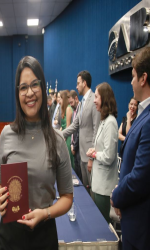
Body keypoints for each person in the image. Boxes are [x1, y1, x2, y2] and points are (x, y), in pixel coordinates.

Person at [0, 56, 73, 250]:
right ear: (17, 93)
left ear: (43, 88)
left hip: (43, 235)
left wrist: (45, 213)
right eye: (23, 87)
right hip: (10, 235)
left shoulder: (57, 140)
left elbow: (67, 198)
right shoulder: (6, 134)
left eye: (34, 85)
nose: (29, 93)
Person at [111, 47, 150, 250]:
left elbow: (141, 177)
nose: (131, 82)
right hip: (133, 217)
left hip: (141, 223)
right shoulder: (142, 114)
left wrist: (117, 195)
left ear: (143, 79)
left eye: (133, 76)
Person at [62, 70, 100, 196]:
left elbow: (96, 129)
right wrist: (59, 135)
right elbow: (75, 125)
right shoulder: (83, 102)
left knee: (92, 192)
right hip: (82, 153)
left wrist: (91, 157)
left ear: (84, 83)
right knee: (87, 191)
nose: (76, 86)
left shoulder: (94, 100)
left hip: (89, 155)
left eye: (78, 83)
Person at [86, 83, 118, 223]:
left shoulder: (110, 122)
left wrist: (94, 155)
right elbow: (103, 149)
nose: (94, 100)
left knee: (103, 226)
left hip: (104, 188)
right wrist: (95, 151)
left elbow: (109, 157)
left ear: (104, 99)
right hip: (98, 184)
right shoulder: (104, 120)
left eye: (97, 97)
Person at [68, 90, 82, 182]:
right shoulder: (74, 111)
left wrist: (74, 147)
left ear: (76, 99)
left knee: (81, 179)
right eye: (69, 103)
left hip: (79, 149)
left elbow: (80, 131)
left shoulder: (80, 110)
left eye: (72, 102)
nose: (71, 105)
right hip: (74, 146)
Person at [59, 90, 75, 169]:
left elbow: (68, 126)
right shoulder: (64, 109)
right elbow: (63, 125)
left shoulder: (68, 109)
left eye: (61, 98)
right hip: (64, 135)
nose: (59, 100)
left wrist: (63, 137)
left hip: (67, 138)